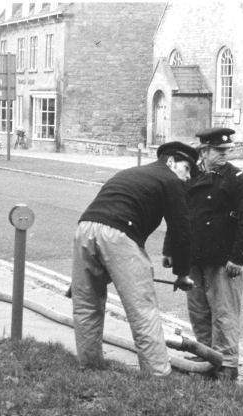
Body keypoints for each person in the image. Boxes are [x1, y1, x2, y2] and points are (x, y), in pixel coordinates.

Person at [71, 141, 197, 376]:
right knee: (142, 307)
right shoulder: (171, 181)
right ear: (171, 162)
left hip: (85, 228)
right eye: (187, 168)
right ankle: (157, 375)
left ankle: (90, 367)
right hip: (120, 234)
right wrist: (182, 273)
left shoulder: (131, 173)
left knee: (86, 302)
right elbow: (181, 229)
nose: (188, 177)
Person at [165, 127, 243, 381]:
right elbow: (178, 215)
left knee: (224, 312)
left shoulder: (239, 180)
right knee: (198, 309)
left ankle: (227, 363)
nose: (224, 155)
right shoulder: (189, 177)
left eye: (227, 150)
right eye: (218, 151)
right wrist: (170, 250)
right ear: (204, 151)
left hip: (223, 259)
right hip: (193, 255)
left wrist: (238, 258)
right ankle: (205, 355)